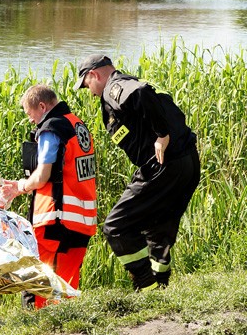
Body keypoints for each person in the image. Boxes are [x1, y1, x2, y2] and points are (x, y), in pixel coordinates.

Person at [74, 54, 199, 291]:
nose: (88, 91)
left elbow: (141, 92)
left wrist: (162, 136)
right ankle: (159, 287)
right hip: (186, 162)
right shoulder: (121, 84)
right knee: (158, 226)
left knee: (115, 226)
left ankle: (144, 282)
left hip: (163, 165)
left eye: (86, 84)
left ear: (94, 75)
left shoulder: (115, 86)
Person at [3, 84, 98, 309]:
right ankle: (68, 321)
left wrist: (19, 186)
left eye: (30, 114)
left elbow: (43, 175)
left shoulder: (51, 128)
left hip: (55, 215)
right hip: (82, 219)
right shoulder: (77, 124)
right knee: (68, 282)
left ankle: (34, 326)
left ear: (42, 106)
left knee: (36, 274)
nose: (30, 120)